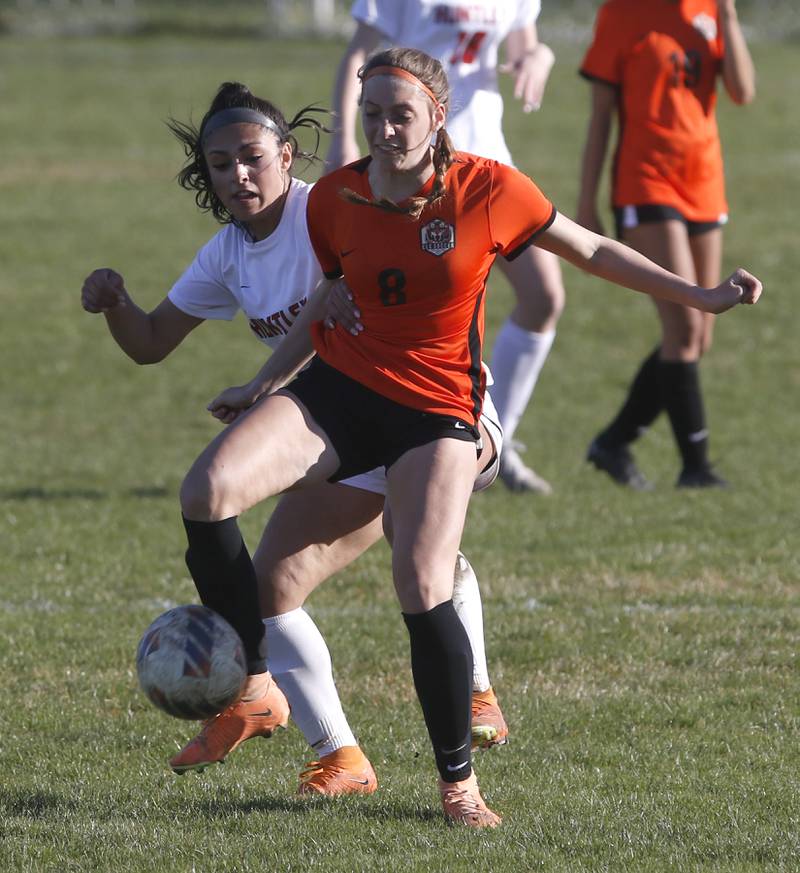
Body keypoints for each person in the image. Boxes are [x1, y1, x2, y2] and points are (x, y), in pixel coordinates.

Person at [154, 51, 759, 827]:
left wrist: (701, 296)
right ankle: (253, 682)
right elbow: (330, 299)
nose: (382, 127)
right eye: (371, 113)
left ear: (437, 114)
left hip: (437, 406)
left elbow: (594, 251)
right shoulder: (335, 197)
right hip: (339, 391)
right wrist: (264, 384)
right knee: (205, 491)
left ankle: (458, 785)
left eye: (398, 113)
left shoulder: (490, 189)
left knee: (420, 579)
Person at [81, 82, 508, 798]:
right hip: (337, 430)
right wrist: (118, 305)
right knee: (270, 589)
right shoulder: (228, 254)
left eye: (252, 158)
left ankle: (475, 691)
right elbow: (152, 342)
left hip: (438, 410)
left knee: (419, 543)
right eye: (220, 164)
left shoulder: (334, 206)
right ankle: (337, 752)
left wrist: (270, 387)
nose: (238, 176)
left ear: (287, 154)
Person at [327, 0, 563, 494]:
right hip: (415, 162)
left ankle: (498, 442)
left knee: (543, 298)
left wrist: (539, 57)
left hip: (485, 161)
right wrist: (342, 136)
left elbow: (523, 45)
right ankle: (370, 441)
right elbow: (358, 56)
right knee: (384, 308)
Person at [577, 0, 756, 489]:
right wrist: (587, 201)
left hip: (703, 183)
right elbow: (601, 118)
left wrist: (729, 15)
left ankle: (613, 443)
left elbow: (743, 92)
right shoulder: (622, 12)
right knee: (683, 324)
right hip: (645, 183)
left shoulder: (711, 11)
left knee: (700, 335)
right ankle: (695, 469)